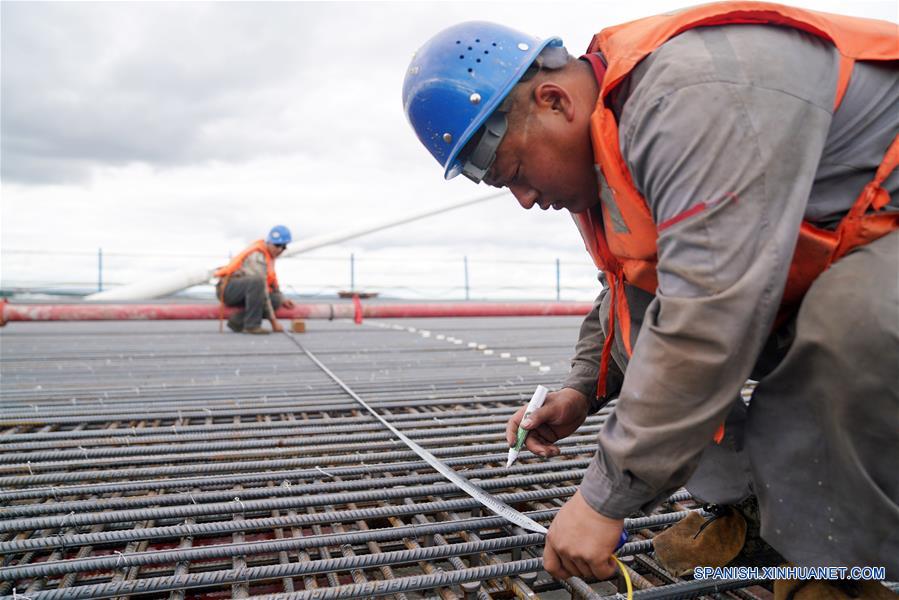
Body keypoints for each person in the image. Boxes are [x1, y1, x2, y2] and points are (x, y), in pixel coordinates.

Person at [402, 2, 899, 592]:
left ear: (554, 103)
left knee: (850, 325)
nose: (526, 200)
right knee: (653, 338)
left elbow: (709, 309)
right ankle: (759, 519)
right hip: (834, 242)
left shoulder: (687, 99)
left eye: (515, 173)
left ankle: (840, 567)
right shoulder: (605, 150)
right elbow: (632, 286)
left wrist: (601, 501)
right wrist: (581, 389)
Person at [214, 225, 295, 334]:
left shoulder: (269, 257)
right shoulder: (257, 256)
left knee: (276, 300)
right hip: (228, 289)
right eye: (277, 245)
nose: (280, 249)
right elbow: (262, 289)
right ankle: (252, 326)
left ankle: (238, 320)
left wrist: (282, 299)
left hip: (247, 292)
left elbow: (271, 287)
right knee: (257, 281)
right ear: (269, 242)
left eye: (284, 246)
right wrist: (273, 322)